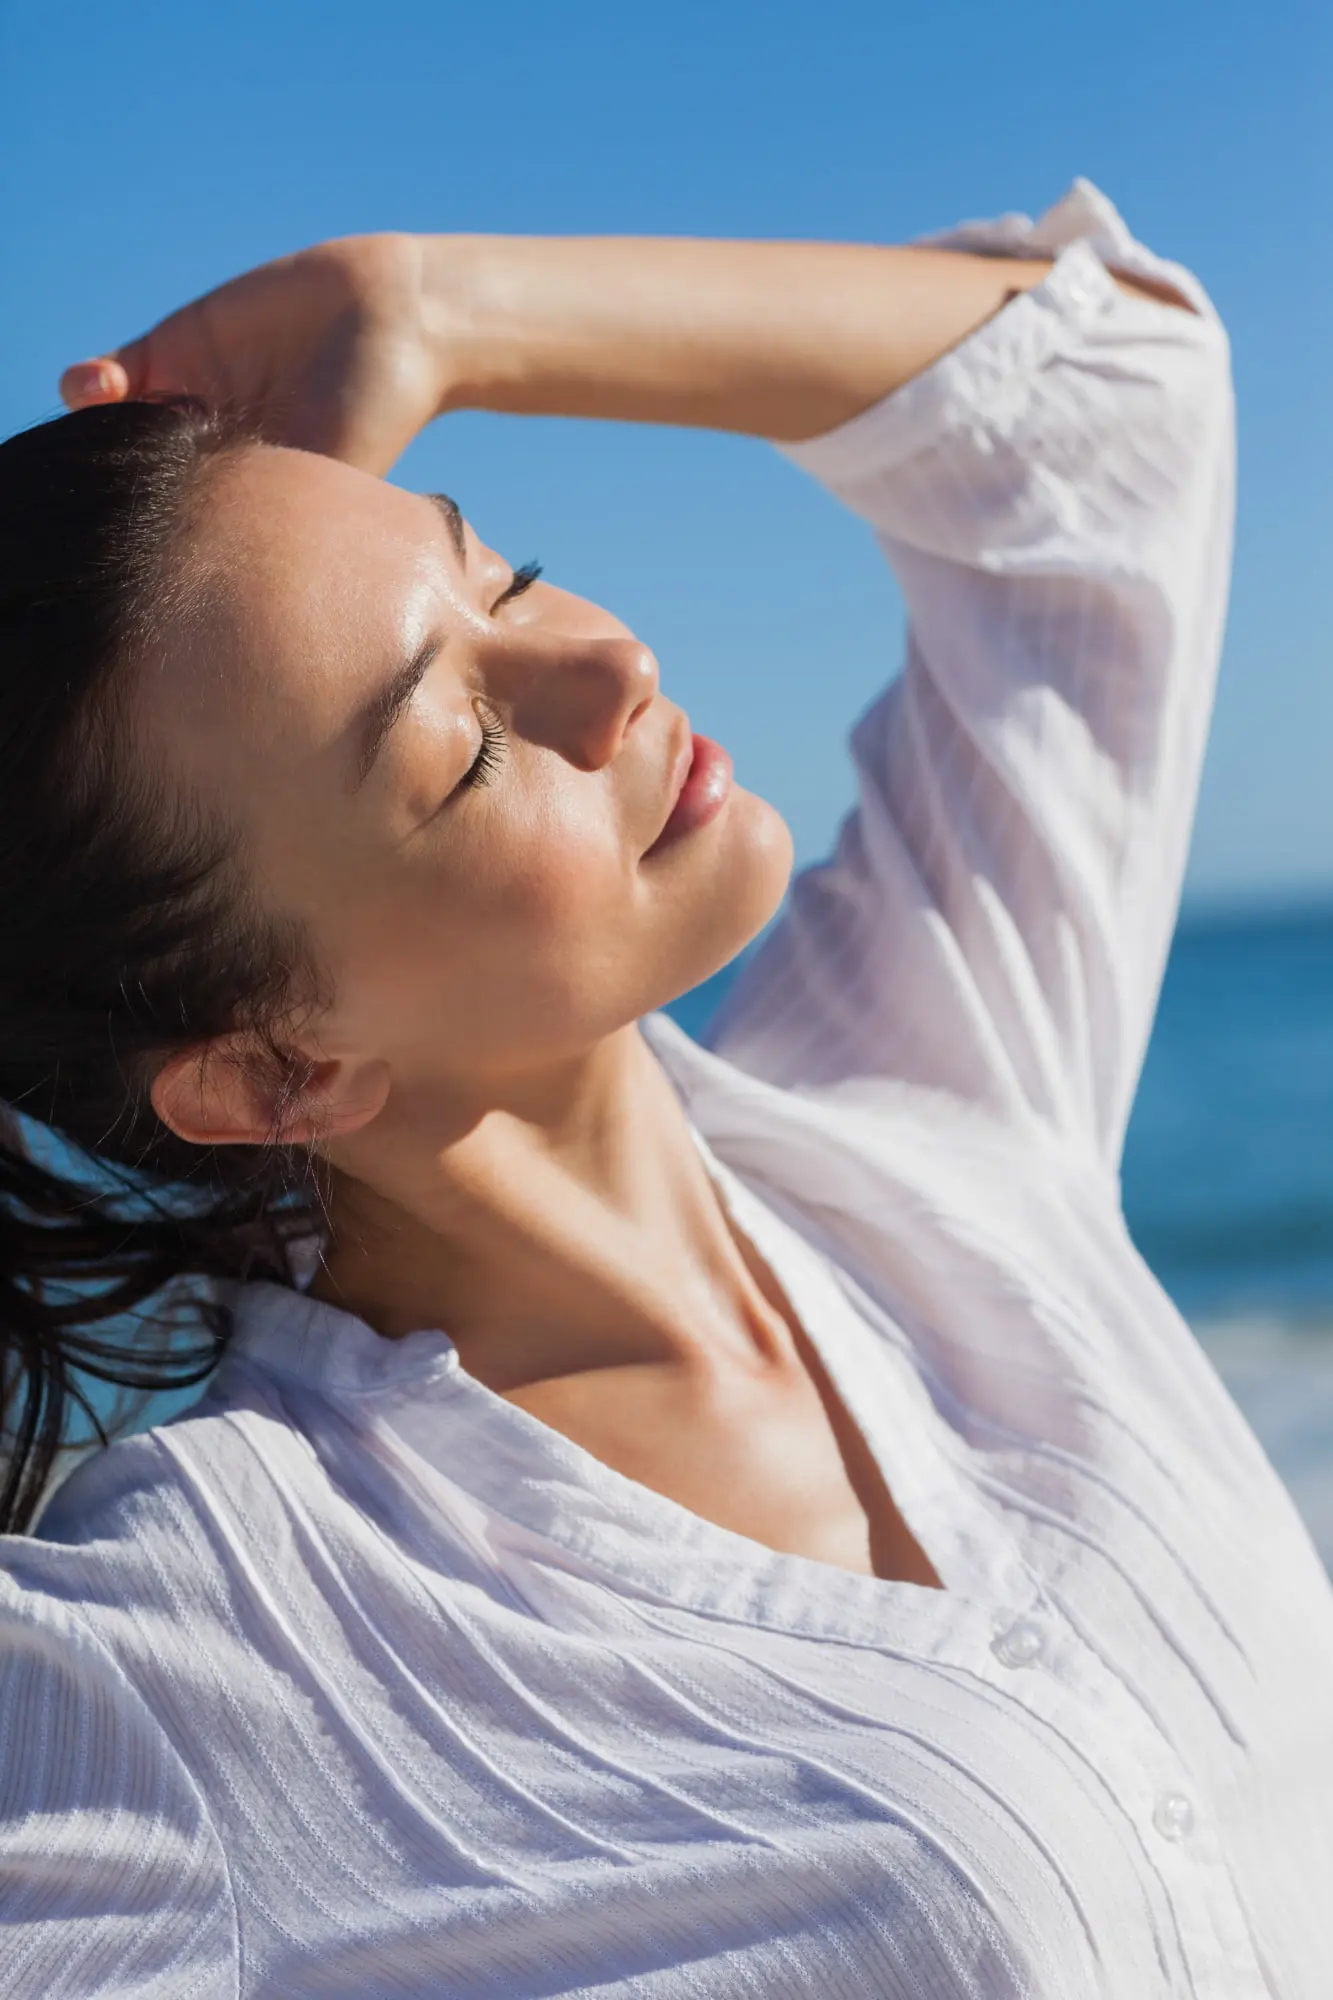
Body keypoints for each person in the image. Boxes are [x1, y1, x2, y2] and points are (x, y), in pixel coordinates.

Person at [1, 176, 1329, 1999]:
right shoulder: (186, 1658)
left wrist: (443, 302)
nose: (609, 664)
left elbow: (1109, 416)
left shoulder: (933, 1128)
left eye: (506, 574)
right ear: (273, 1062)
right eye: (458, 742)